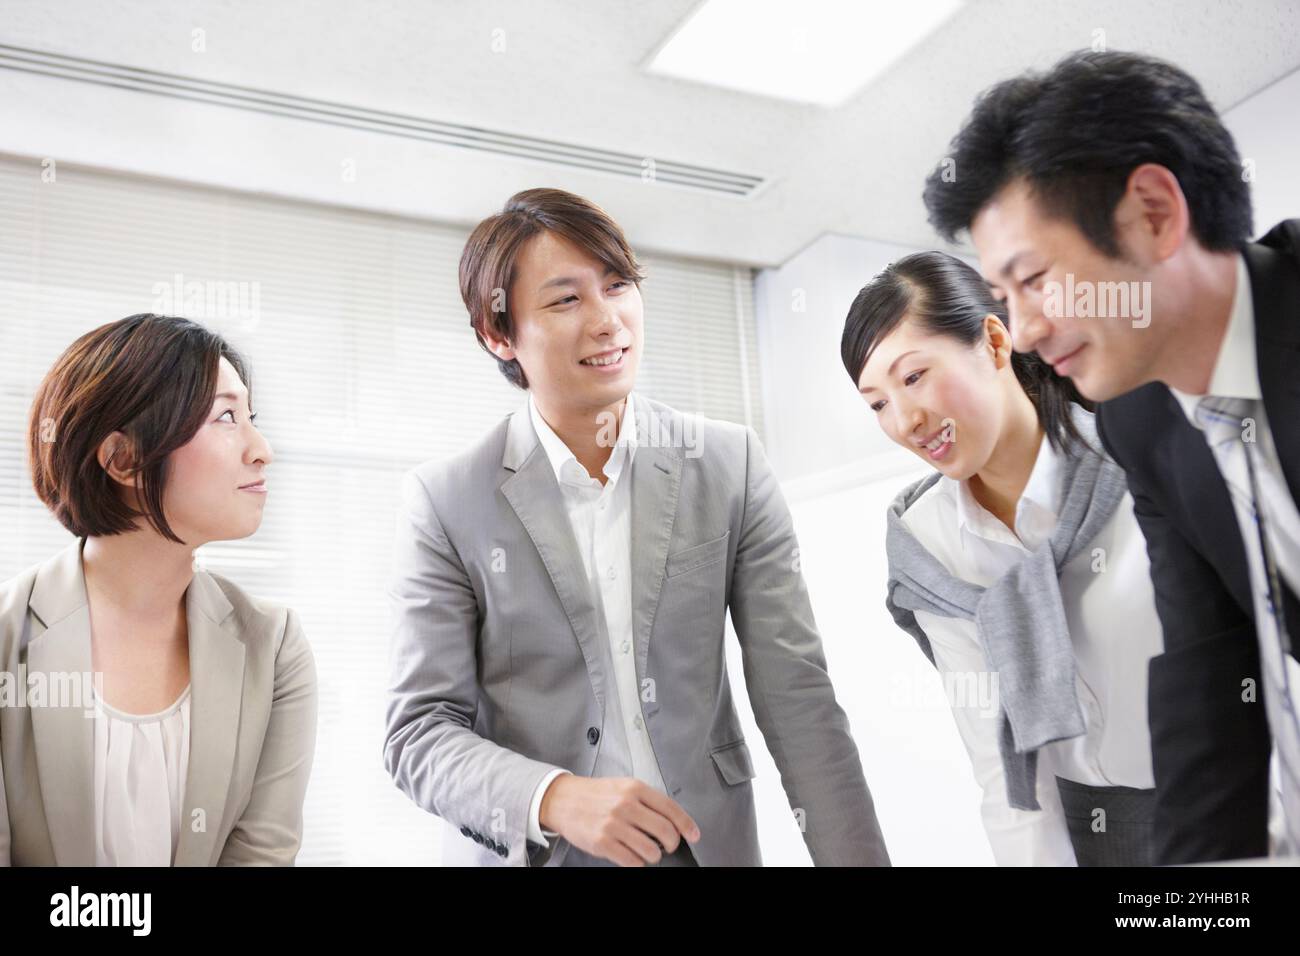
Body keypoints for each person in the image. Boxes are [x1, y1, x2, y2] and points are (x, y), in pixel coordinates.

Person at [384, 187, 890, 866]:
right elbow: (418, 733)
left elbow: (797, 697)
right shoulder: (447, 500)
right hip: (542, 849)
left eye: (618, 286)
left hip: (703, 848)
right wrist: (555, 797)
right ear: (498, 333)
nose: (607, 321)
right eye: (566, 300)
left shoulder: (728, 463)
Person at [923, 49, 1300, 862]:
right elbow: (1208, 683)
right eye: (1003, 299)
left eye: (1034, 279)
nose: (1025, 334)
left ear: (1154, 215)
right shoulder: (1139, 422)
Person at [847, 250, 1162, 864]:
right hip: (1085, 833)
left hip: (1230, 805)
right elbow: (1005, 772)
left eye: (914, 377)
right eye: (878, 403)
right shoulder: (927, 546)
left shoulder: (1139, 463)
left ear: (994, 342)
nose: (906, 421)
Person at [0, 314, 317, 866]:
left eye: (252, 418)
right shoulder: (7, 636)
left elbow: (261, 855)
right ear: (122, 458)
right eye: (226, 417)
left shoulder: (274, 647)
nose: (262, 449)